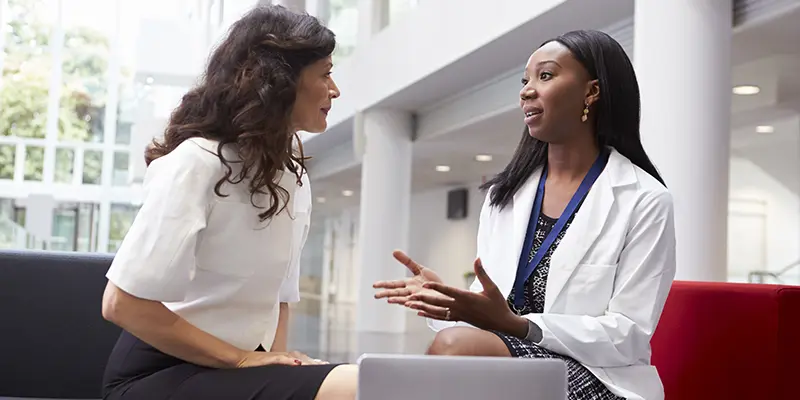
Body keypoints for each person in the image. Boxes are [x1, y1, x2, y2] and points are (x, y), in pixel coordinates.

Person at [374, 30, 676, 400]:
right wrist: (449, 301)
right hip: (508, 353)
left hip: (596, 372)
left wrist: (521, 327)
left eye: (545, 76)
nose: (527, 90)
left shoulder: (645, 199)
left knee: (453, 352)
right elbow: (493, 306)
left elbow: (627, 335)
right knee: (448, 356)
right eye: (525, 80)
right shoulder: (505, 194)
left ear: (591, 92)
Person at [100, 6, 356, 400]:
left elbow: (279, 301)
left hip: (231, 370)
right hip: (158, 374)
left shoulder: (292, 176)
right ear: (282, 80)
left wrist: (279, 366)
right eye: (325, 74)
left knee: (361, 382)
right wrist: (239, 361)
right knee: (361, 386)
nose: (335, 90)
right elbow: (122, 304)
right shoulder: (196, 162)